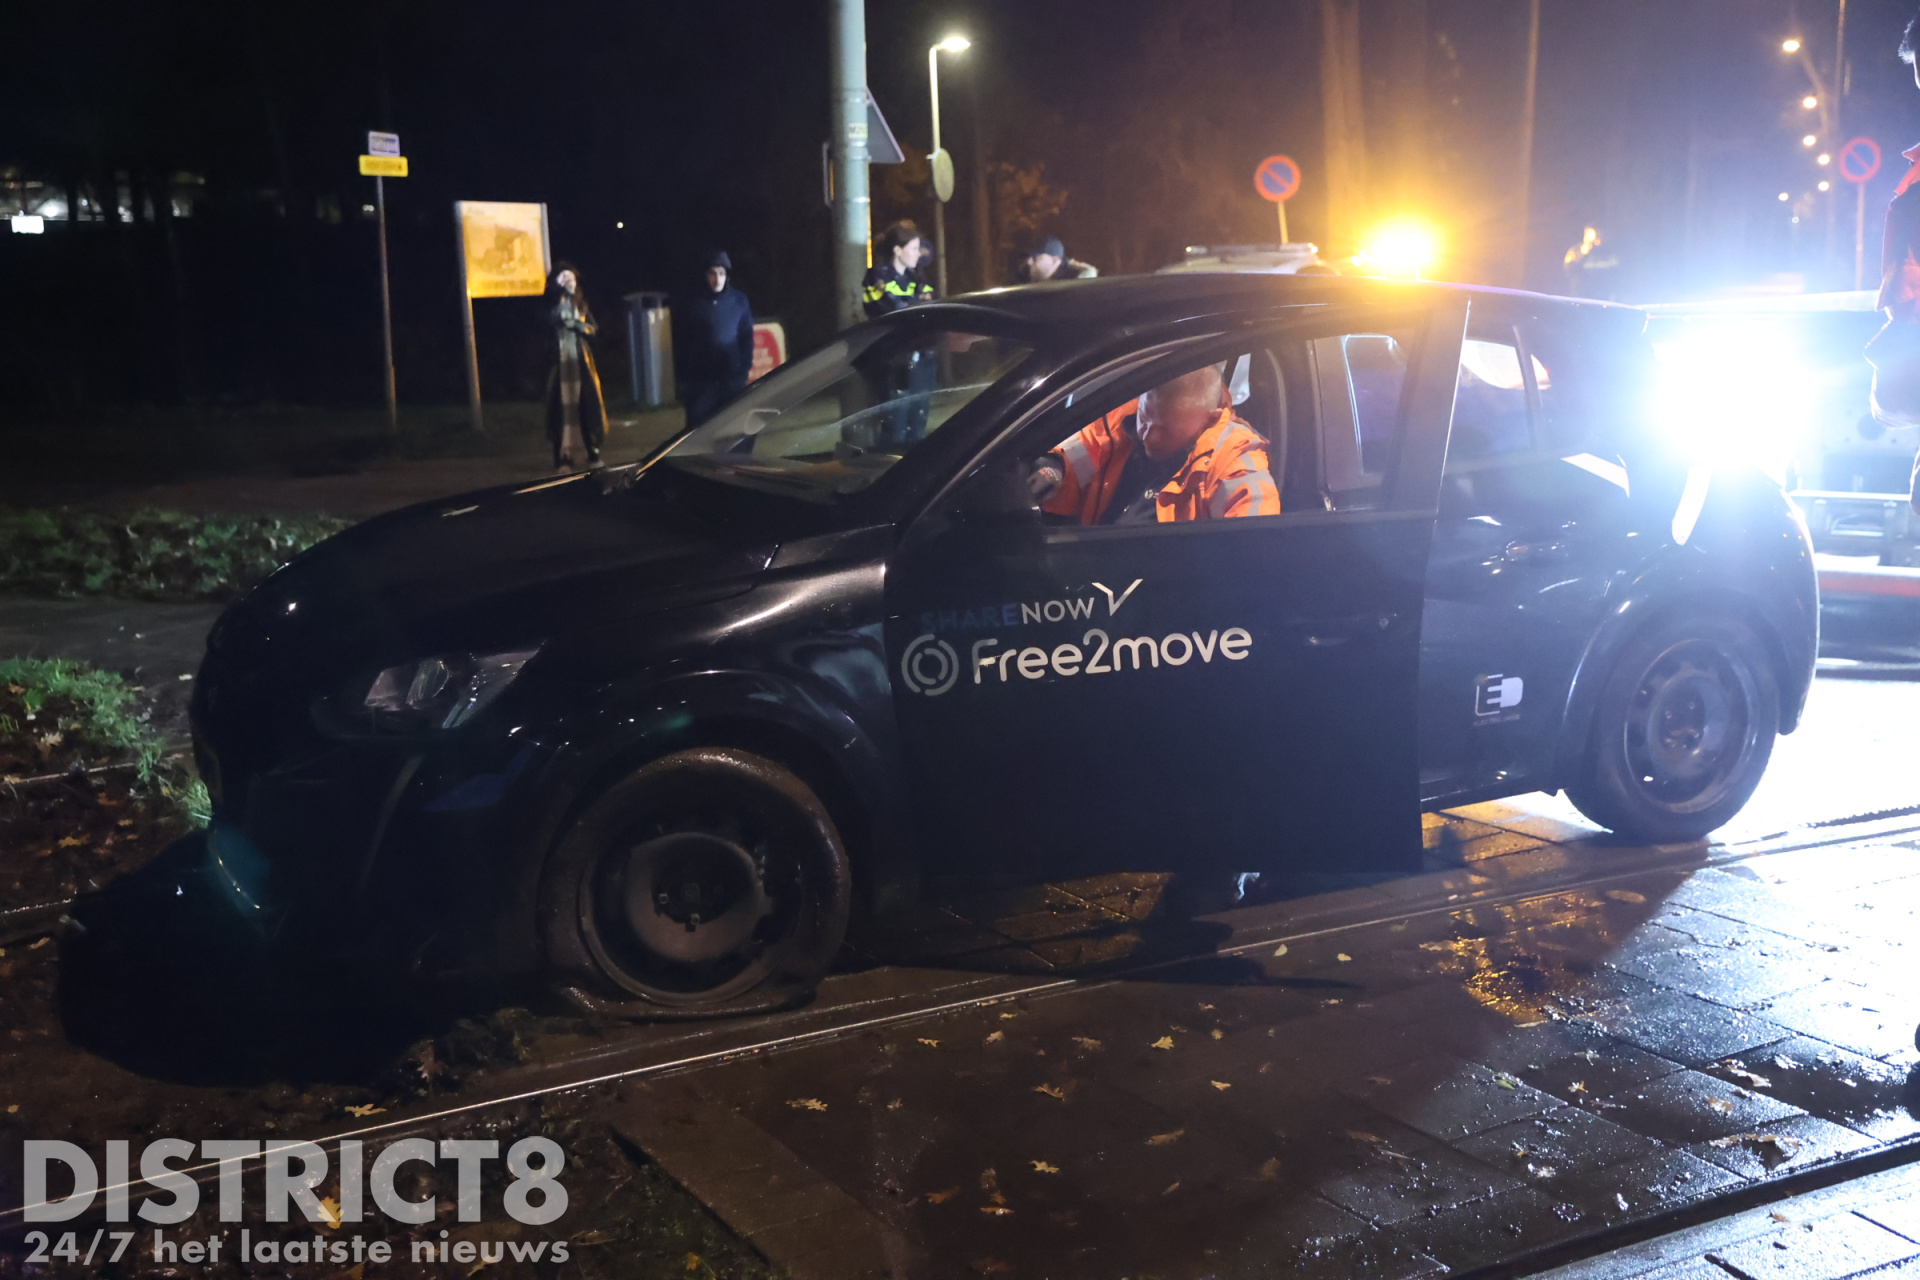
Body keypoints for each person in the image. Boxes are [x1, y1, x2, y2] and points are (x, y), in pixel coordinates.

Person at [1030, 362, 1278, 524]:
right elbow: (1074, 457)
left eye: (1166, 430)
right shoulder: (1120, 421)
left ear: (1210, 419)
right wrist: (1053, 468)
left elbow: (1257, 535)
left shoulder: (1233, 453)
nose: (1150, 436)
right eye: (1146, 419)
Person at [675, 250, 756, 427]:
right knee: (698, 430)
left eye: (721, 273)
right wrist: (685, 379)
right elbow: (682, 341)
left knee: (736, 428)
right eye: (712, 273)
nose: (717, 279)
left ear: (727, 275)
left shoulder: (739, 301)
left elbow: (747, 337)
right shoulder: (693, 302)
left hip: (731, 380)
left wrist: (743, 370)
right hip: (701, 383)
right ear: (705, 275)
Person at [543, 262, 607, 472]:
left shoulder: (581, 305)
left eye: (572, 279)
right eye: (564, 279)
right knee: (560, 410)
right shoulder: (551, 305)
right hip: (559, 365)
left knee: (585, 407)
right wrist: (559, 301)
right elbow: (546, 324)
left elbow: (593, 329)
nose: (569, 283)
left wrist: (578, 326)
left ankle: (591, 450)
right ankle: (563, 456)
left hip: (580, 363)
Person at [862, 221, 935, 317]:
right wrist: (917, 301)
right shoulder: (878, 276)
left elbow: (931, 300)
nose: (918, 254)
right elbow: (892, 307)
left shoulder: (915, 275)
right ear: (898, 250)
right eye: (914, 249)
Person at [1018, 235, 1098, 283]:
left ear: (1055, 261)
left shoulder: (1074, 289)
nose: (1028, 262)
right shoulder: (1026, 286)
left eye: (1036, 259)